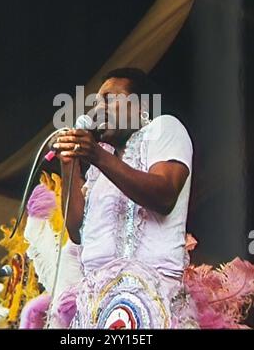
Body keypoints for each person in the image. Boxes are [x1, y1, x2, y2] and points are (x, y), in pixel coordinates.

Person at [50, 67, 198, 328]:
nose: (98, 109)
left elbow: (164, 194)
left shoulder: (164, 128)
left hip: (151, 296)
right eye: (96, 102)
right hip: (95, 304)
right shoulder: (100, 165)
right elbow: (76, 232)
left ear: (140, 106)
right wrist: (69, 166)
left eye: (109, 99)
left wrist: (97, 156)